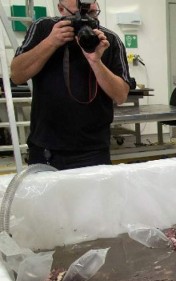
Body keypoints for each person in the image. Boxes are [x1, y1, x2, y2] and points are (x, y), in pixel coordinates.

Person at [10, 0, 131, 170]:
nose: (84, 20)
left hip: (93, 149)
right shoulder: (43, 28)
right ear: (61, 9)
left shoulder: (109, 40)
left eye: (91, 14)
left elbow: (120, 96)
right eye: (78, 15)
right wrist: (51, 42)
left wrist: (96, 61)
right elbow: (16, 75)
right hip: (46, 147)